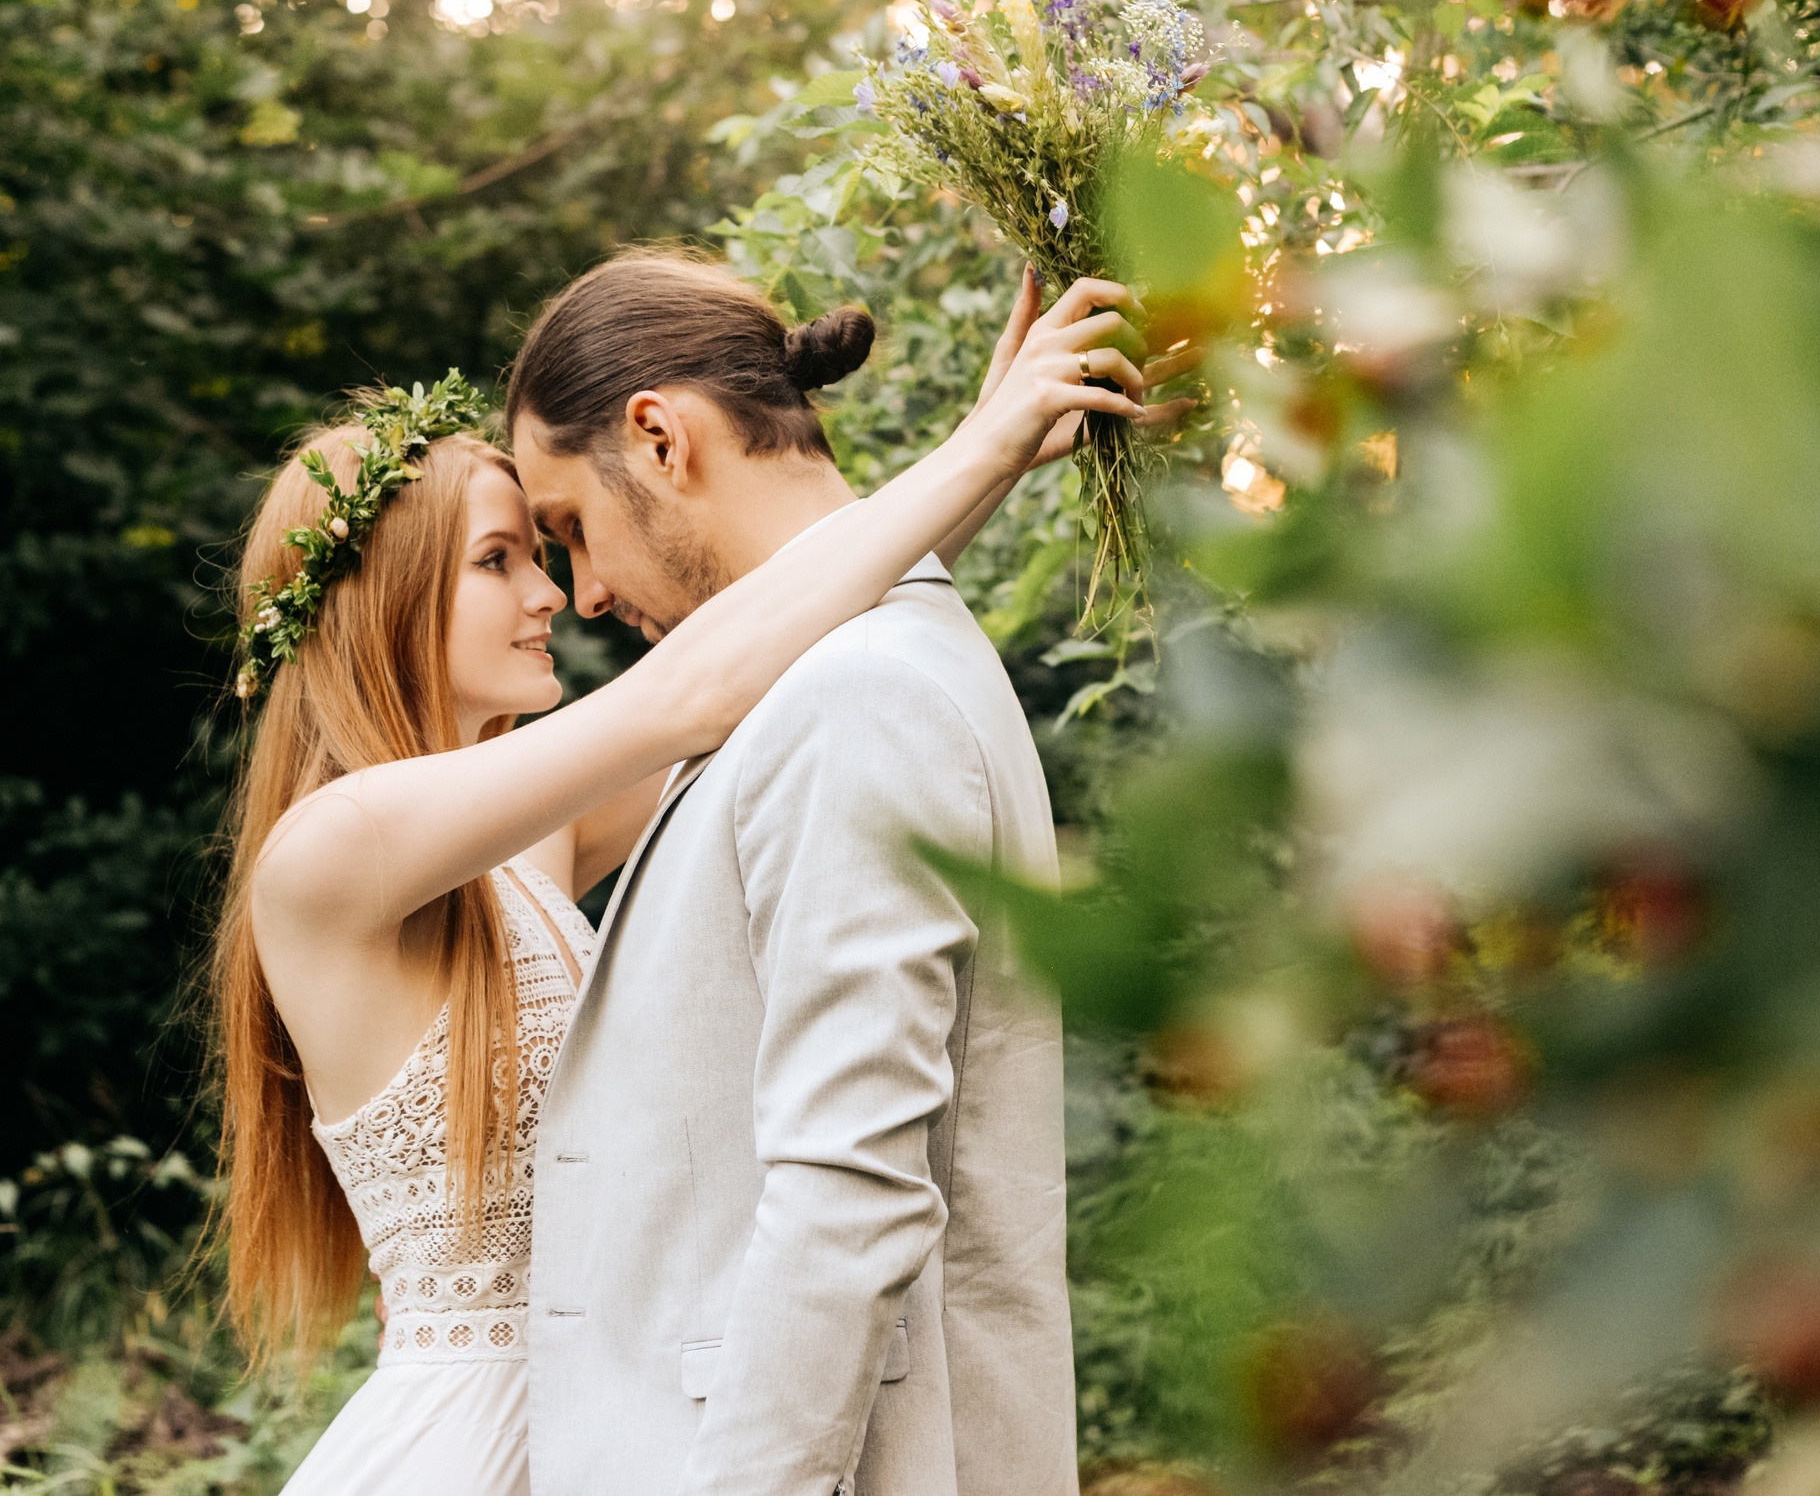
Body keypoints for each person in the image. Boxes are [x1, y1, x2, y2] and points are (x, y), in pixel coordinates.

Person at [208, 256, 1186, 1496]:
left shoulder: (523, 832)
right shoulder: (329, 853)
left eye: (546, 545)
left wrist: (984, 468)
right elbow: (693, 688)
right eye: (504, 557)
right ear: (390, 598)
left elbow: (774, 665)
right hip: (464, 1440)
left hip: (596, 1419)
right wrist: (978, 448)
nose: (558, 595)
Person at [505, 253, 1191, 1496]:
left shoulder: (857, 701)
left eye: (568, 531)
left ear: (659, 436)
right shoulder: (846, 673)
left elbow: (846, 1198)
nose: (586, 592)